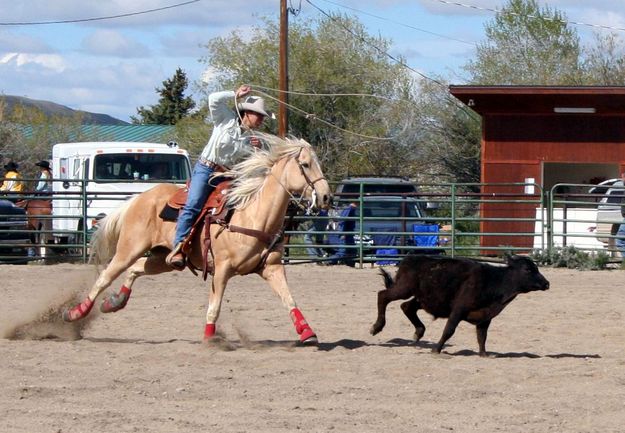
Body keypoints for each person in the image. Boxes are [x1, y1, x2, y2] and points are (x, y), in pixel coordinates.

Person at [166, 85, 269, 270]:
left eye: (262, 116)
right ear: (246, 113)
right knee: (194, 203)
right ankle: (178, 246)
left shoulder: (251, 139)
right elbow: (214, 98)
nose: (261, 120)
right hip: (206, 168)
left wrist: (259, 149)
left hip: (226, 174)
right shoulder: (226, 119)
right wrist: (235, 94)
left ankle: (231, 244)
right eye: (258, 115)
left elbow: (253, 163)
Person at [327, 202, 357, 267]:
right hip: (346, 234)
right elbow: (343, 221)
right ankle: (328, 261)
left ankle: (350, 264)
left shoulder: (351, 210)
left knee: (352, 251)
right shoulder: (349, 209)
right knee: (342, 252)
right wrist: (342, 233)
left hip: (349, 234)